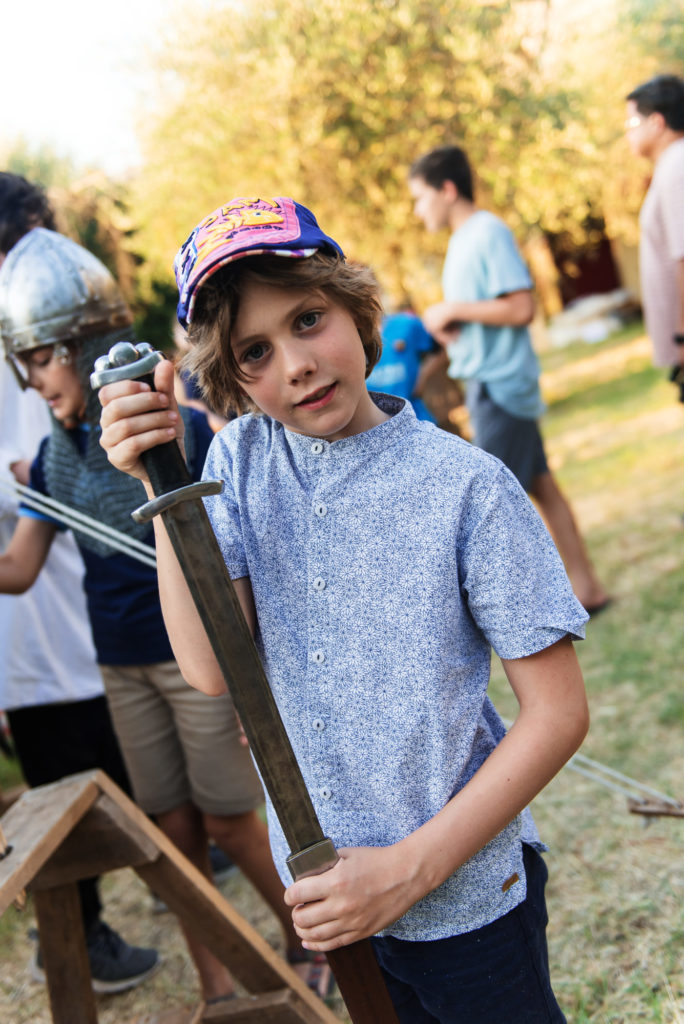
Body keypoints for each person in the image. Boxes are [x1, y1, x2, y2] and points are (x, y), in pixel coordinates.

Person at [98, 195, 591, 1024]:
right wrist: (165, 481)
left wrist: (407, 870)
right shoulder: (240, 461)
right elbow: (213, 669)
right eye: (255, 351)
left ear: (355, 309)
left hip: (467, 903)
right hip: (328, 896)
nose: (296, 364)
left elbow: (559, 713)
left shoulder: (466, 488)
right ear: (231, 377)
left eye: (308, 319)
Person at [0, 223, 322, 1007]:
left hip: (195, 657)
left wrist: (249, 672)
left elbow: (234, 549)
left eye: (40, 358)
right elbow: (19, 570)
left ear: (79, 346)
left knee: (230, 820)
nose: (34, 382)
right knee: (168, 829)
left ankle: (308, 941)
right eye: (25, 363)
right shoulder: (53, 460)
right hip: (121, 663)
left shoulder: (174, 430)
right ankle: (216, 981)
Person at [0, 173, 158, 993]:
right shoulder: (24, 357)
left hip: (113, 614)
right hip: (51, 629)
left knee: (148, 782)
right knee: (73, 780)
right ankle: (78, 940)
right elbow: (18, 555)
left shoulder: (58, 328)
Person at [408, 146, 610, 615]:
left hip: (498, 387)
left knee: (493, 512)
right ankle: (588, 589)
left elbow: (521, 308)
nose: (417, 211)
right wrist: (453, 325)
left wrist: (453, 309)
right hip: (489, 381)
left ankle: (535, 616)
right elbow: (488, 312)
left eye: (420, 197)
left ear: (447, 189)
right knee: (543, 487)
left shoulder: (487, 232)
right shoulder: (463, 240)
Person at [625, 74, 684, 400]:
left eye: (632, 122)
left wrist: (682, 338)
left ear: (657, 122)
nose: (628, 132)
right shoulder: (670, 165)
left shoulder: (677, 164)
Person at [366, 308, 442, 422]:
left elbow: (439, 350)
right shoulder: (351, 342)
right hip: (378, 424)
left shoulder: (406, 324)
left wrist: (422, 377)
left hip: (416, 416)